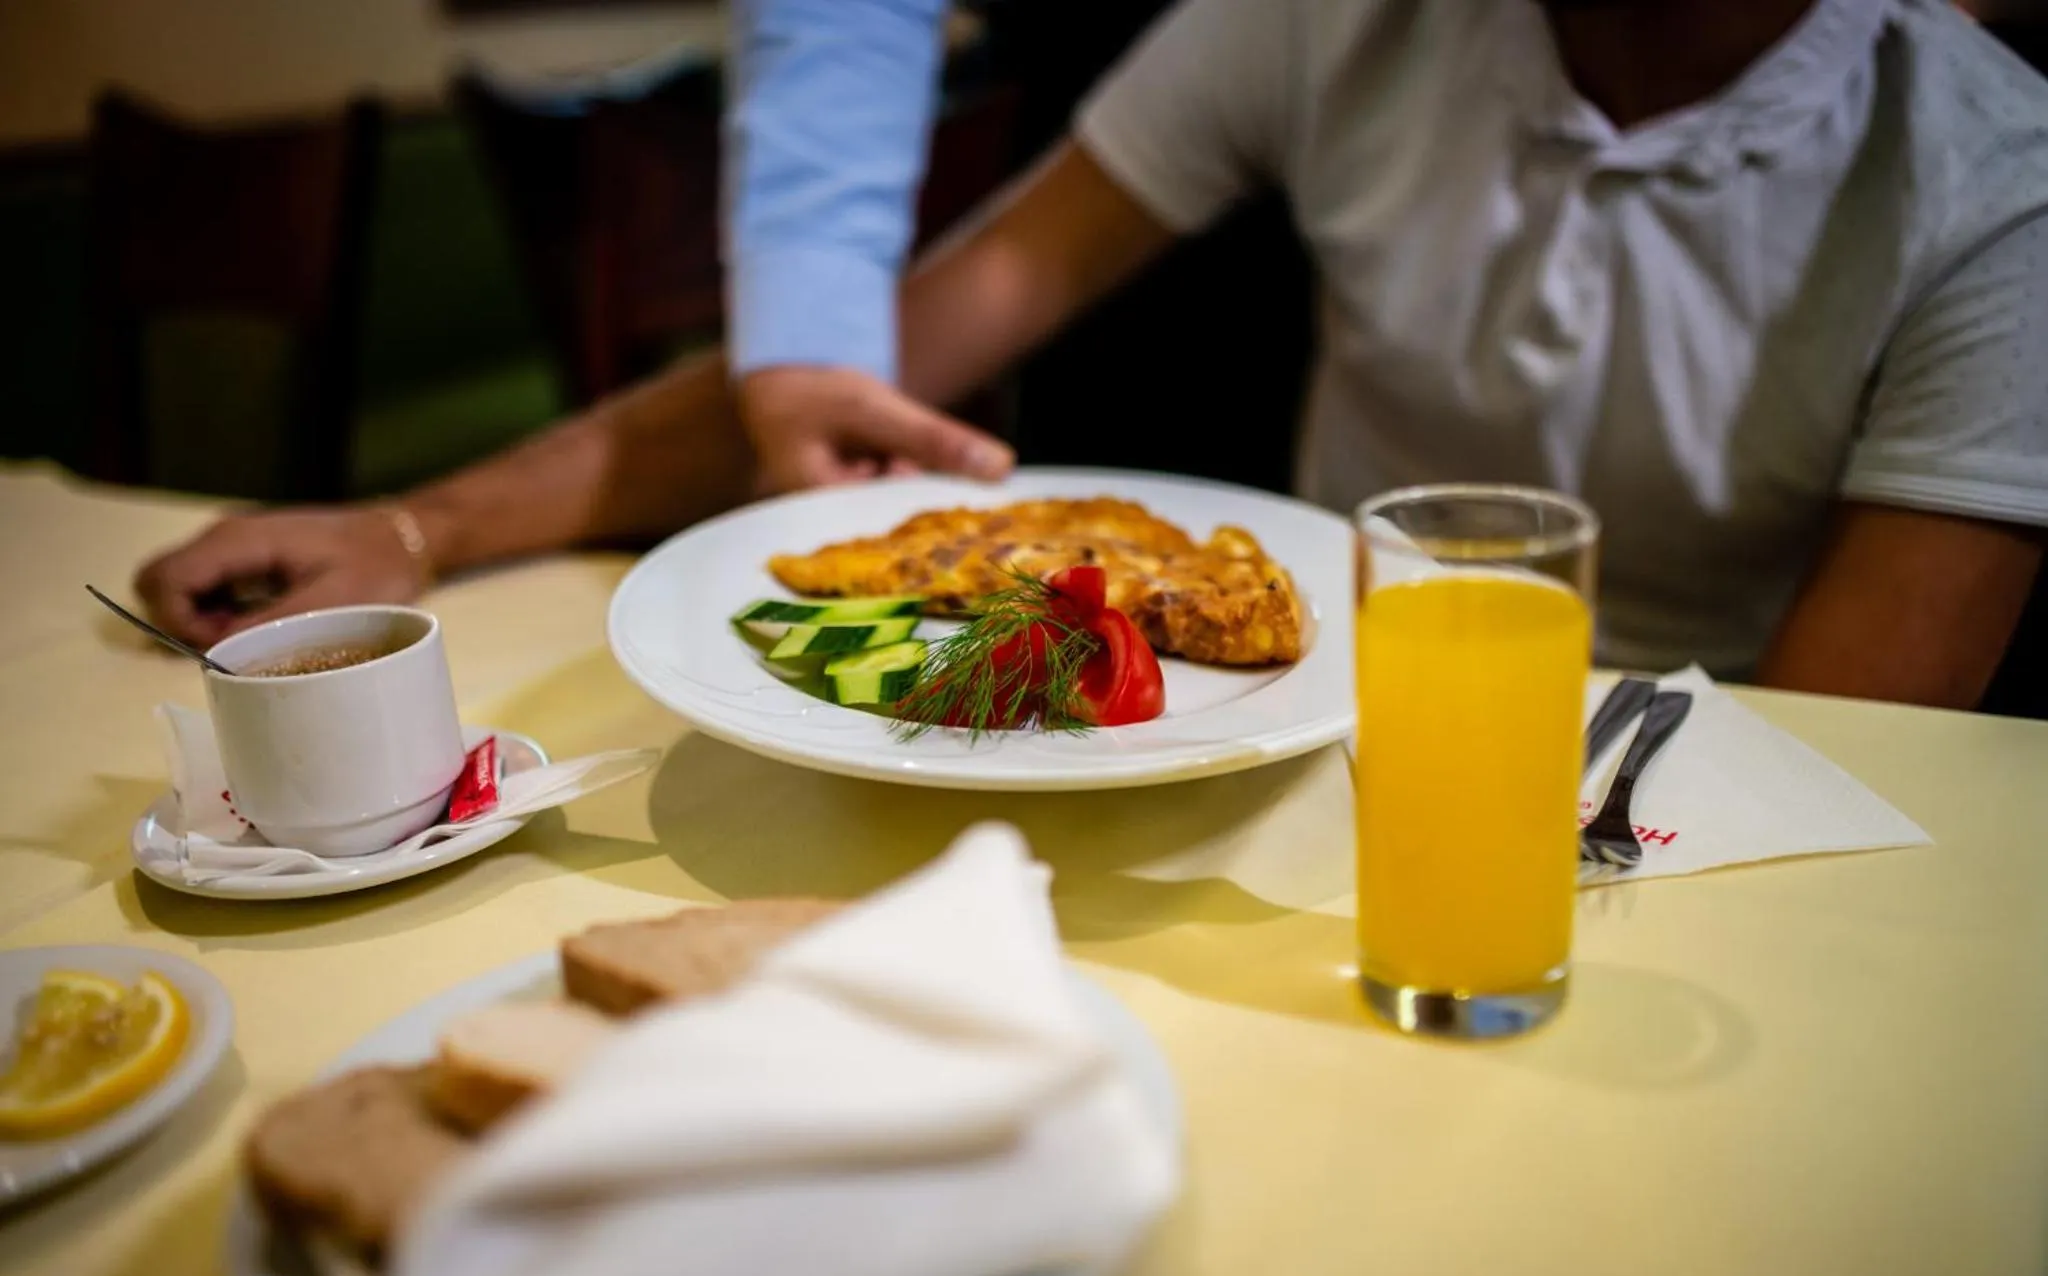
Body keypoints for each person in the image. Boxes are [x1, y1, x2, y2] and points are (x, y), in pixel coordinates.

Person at [139, 0, 2048, 710]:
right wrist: (414, 526)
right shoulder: (1318, 24)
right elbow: (877, 357)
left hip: (1668, 831)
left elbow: (1851, 760)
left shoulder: (1994, 178)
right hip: (1246, 783)